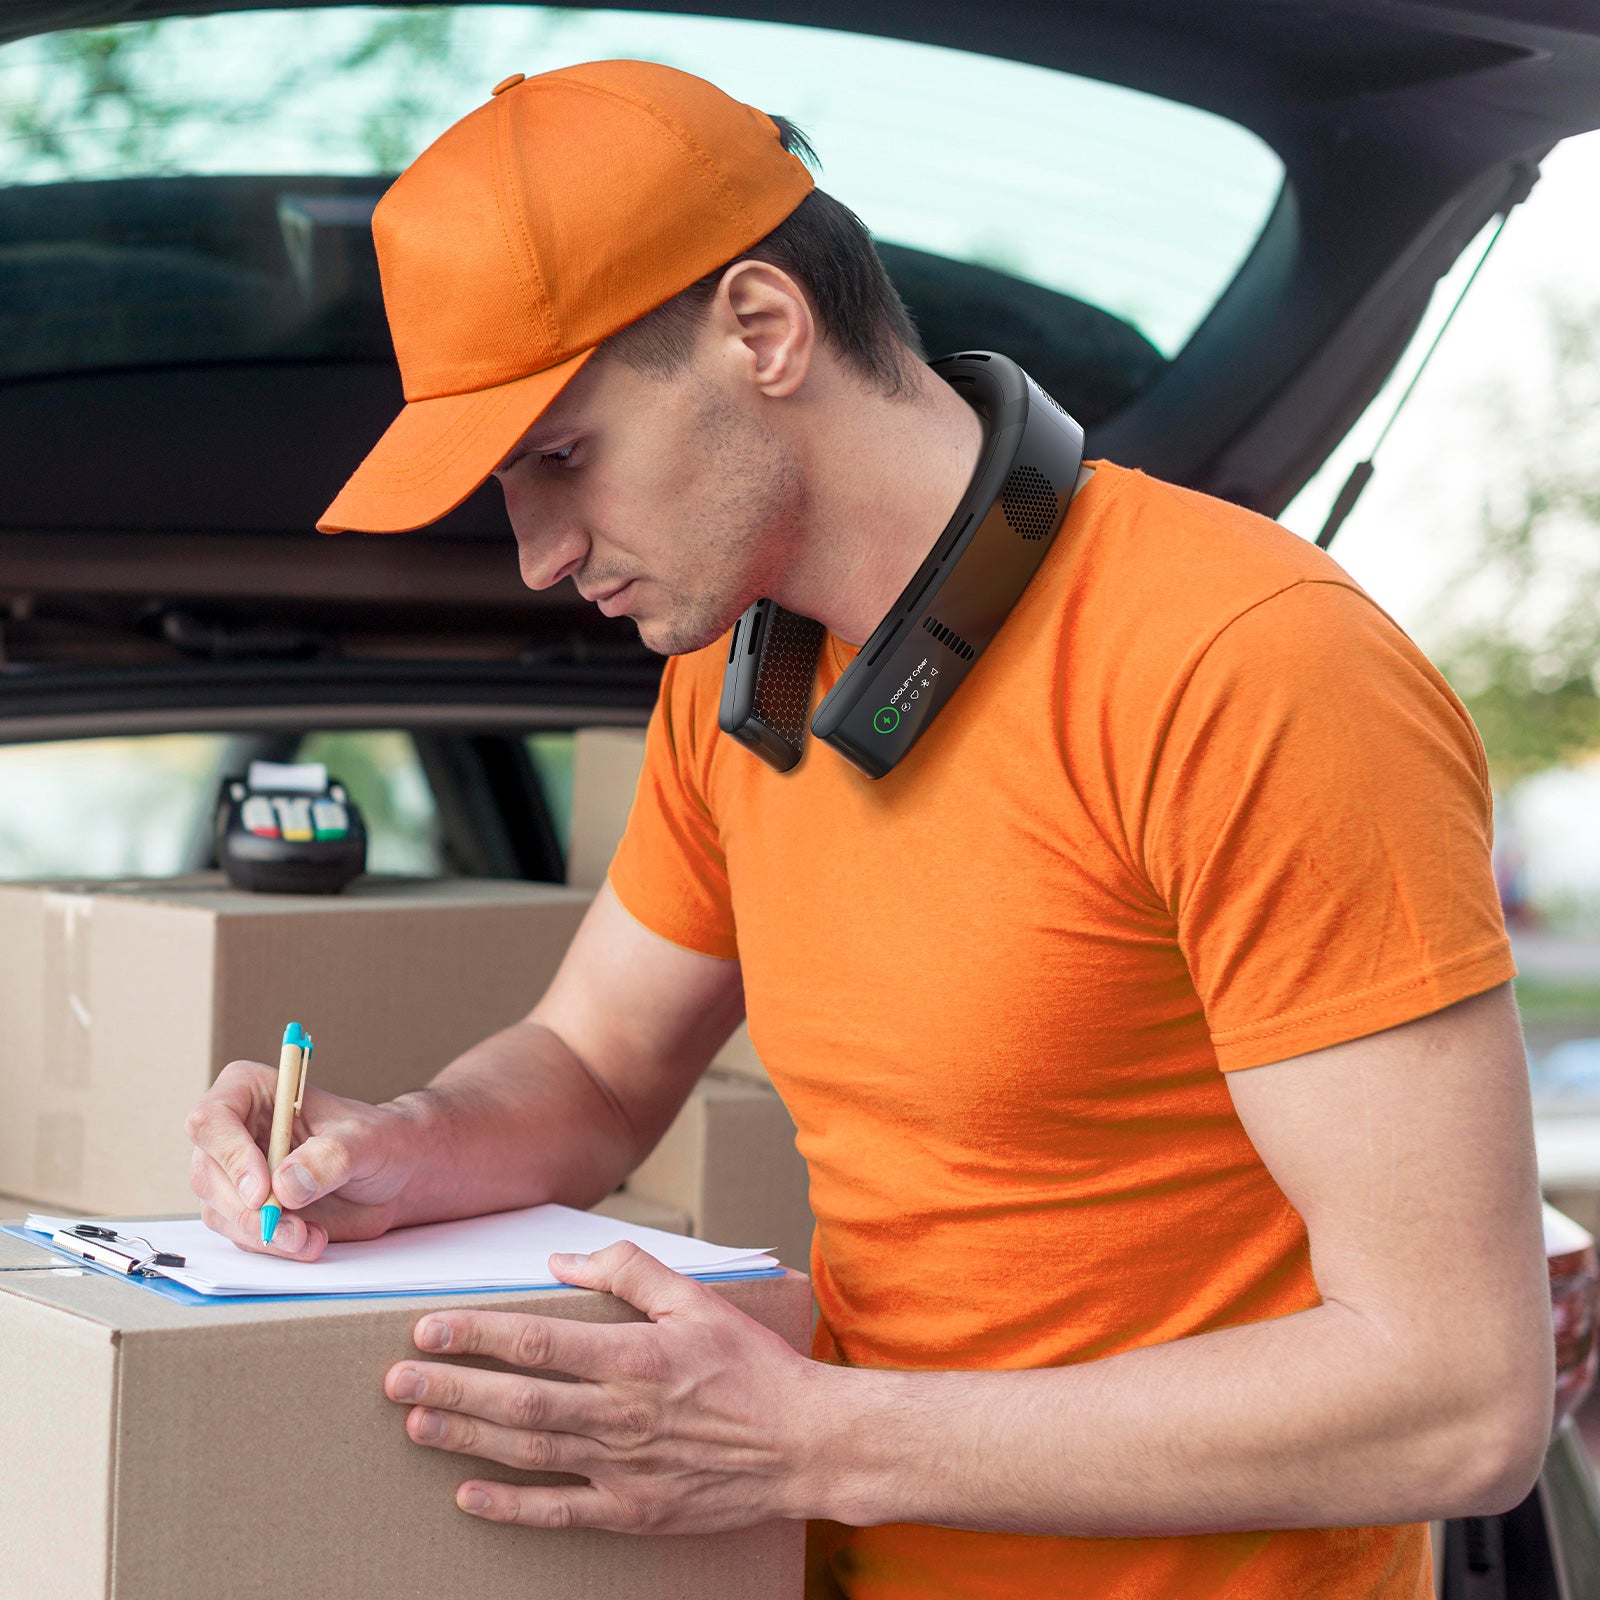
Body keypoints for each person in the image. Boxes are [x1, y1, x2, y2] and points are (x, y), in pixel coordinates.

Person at [185, 58, 1552, 1600]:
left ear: (763, 329)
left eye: (563, 457)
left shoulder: (1246, 664)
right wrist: (392, 1149)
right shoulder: (737, 678)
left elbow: (1457, 1397)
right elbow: (591, 1067)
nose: (539, 555)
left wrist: (812, 1442)